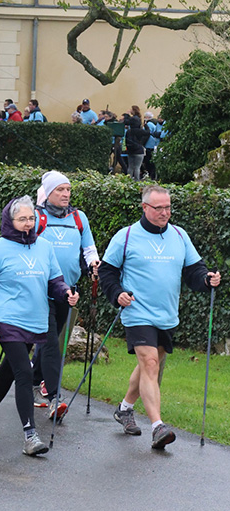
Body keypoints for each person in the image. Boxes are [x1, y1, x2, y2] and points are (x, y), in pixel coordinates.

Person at [98, 185, 220, 449]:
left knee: (147, 366)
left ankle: (125, 408)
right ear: (144, 207)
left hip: (167, 314)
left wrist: (207, 280)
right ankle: (158, 427)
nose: (164, 212)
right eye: (158, 208)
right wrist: (117, 293)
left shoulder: (179, 235)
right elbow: (107, 272)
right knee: (150, 363)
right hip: (137, 312)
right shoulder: (126, 236)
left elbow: (193, 271)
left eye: (167, 207)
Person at [0, 196, 78, 456]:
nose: (28, 224)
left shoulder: (44, 247)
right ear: (10, 220)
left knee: (10, 371)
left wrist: (66, 293)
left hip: (35, 319)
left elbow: (55, 281)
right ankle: (30, 435)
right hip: (7, 319)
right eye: (22, 219)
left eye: (31, 218)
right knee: (24, 372)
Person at [32, 172, 100, 417]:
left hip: (68, 291)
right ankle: (54, 396)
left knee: (49, 339)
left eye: (68, 189)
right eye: (60, 189)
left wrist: (94, 263)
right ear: (48, 192)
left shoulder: (79, 218)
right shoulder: (37, 217)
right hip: (40, 290)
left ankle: (32, 378)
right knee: (51, 343)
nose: (66, 194)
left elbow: (88, 248)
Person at [124, 115, 148, 181]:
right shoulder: (140, 131)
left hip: (130, 150)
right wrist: (146, 125)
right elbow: (148, 132)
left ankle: (128, 180)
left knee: (130, 166)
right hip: (139, 150)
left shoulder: (129, 131)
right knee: (137, 167)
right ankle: (137, 180)